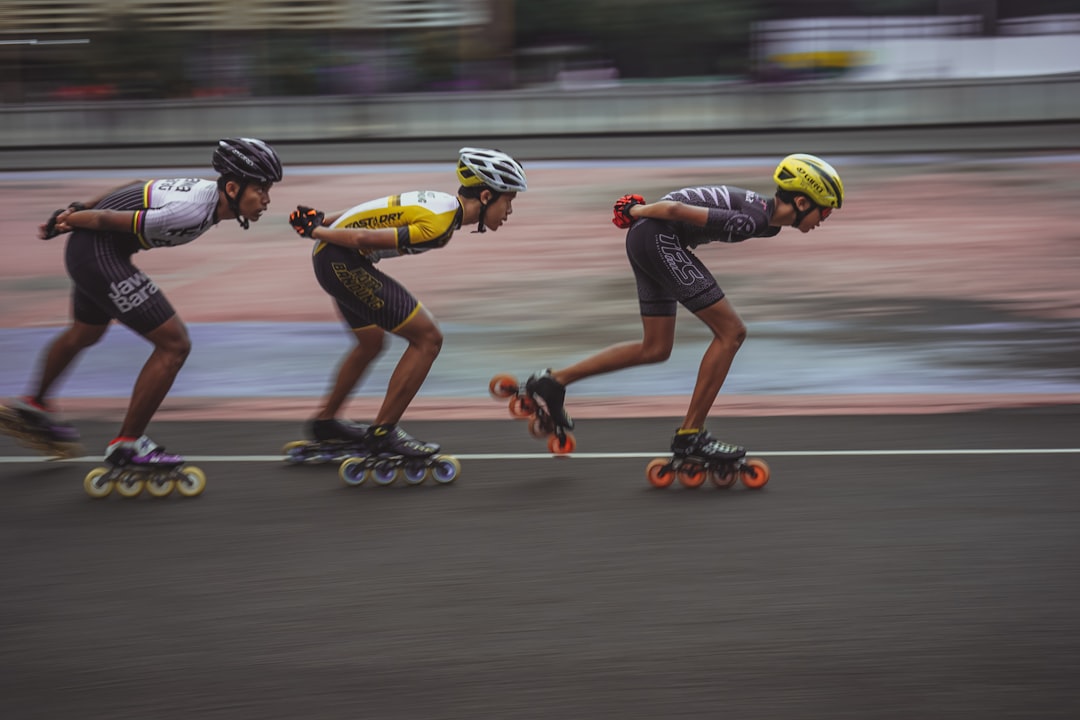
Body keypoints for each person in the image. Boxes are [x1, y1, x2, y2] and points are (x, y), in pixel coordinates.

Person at [520, 153, 844, 462]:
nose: (824, 220)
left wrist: (639, 217)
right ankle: (691, 435)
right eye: (825, 211)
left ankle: (554, 381)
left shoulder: (765, 218)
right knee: (731, 332)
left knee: (655, 348)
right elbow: (676, 210)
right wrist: (635, 211)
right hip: (659, 235)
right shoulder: (754, 218)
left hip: (649, 238)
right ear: (802, 202)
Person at [1, 137, 282, 466]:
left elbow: (136, 185)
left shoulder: (206, 194)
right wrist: (70, 219)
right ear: (233, 189)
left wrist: (78, 208)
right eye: (261, 190)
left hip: (97, 251)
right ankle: (127, 445)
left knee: (86, 333)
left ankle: (36, 404)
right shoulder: (191, 211)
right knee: (174, 344)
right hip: (97, 252)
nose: (266, 200)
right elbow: (107, 220)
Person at [287, 147, 528, 458]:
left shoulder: (439, 203)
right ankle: (383, 433)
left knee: (370, 342)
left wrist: (323, 221)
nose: (508, 211)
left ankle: (326, 424)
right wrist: (316, 229)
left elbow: (370, 210)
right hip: (341, 261)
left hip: (334, 258)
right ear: (485, 197)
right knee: (428, 338)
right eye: (508, 202)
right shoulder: (439, 224)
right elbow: (365, 239)